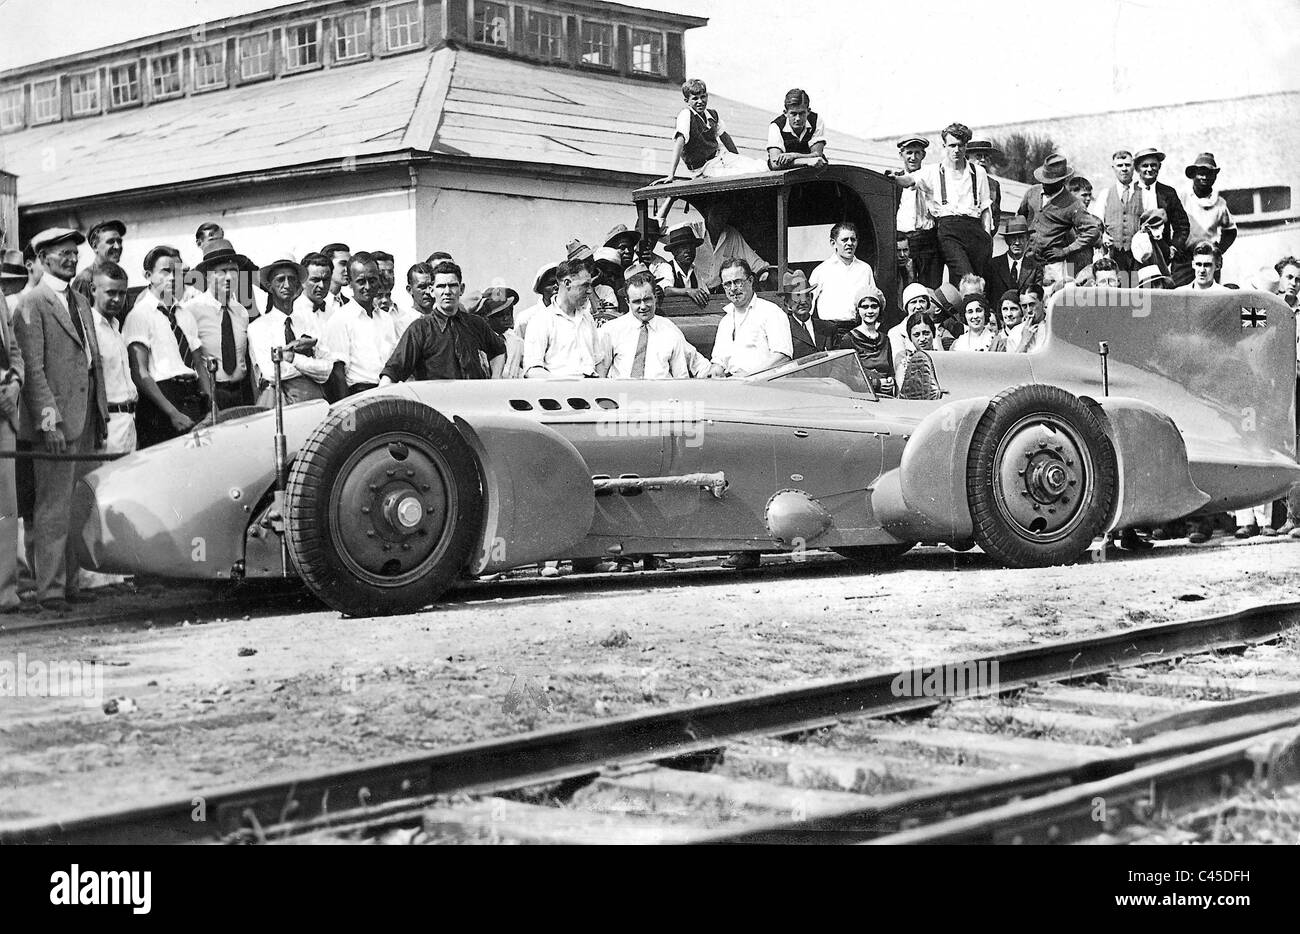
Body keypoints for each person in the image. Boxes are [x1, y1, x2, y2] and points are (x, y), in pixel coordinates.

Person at [14, 228, 108, 612]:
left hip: (84, 418)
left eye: (74, 253)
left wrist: (99, 413)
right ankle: (49, 590)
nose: (71, 259)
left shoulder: (80, 300)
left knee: (74, 506)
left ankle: (69, 585)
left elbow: (93, 362)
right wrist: (49, 423)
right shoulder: (32, 303)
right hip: (55, 423)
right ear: (44, 257)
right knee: (51, 508)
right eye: (63, 253)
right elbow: (33, 371)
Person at [124, 246, 210, 447]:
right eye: (166, 271)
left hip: (192, 396)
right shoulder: (139, 315)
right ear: (149, 275)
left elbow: (198, 363)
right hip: (161, 402)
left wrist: (209, 403)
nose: (173, 277)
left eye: (178, 272)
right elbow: (140, 372)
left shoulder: (185, 314)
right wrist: (172, 412)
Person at [893, 122, 994, 286]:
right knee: (967, 278)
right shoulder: (933, 171)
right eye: (952, 145)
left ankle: (963, 310)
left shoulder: (978, 172)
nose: (956, 150)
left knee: (976, 280)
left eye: (960, 146)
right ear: (944, 146)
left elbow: (985, 208)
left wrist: (987, 237)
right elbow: (910, 179)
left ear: (966, 146)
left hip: (975, 231)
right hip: (948, 230)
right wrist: (895, 178)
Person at [379, 262, 505, 385]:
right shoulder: (419, 329)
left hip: (473, 401)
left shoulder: (476, 323)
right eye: (441, 286)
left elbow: (498, 350)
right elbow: (394, 370)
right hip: (437, 402)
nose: (447, 291)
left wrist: (495, 381)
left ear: (461, 289)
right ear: (432, 290)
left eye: (452, 285)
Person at [247, 256, 334, 406]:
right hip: (277, 403)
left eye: (292, 279)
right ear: (270, 286)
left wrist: (292, 358)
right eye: (280, 280)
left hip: (312, 399)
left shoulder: (311, 321)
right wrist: (310, 366)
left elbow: (326, 370)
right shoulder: (258, 327)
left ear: (298, 286)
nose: (287, 285)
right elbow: (271, 373)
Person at [186, 237, 257, 411]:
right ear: (208, 275)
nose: (229, 277)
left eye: (233, 270)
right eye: (222, 271)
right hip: (211, 393)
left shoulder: (241, 311)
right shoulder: (192, 310)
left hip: (242, 392)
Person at [656, 78, 765, 184]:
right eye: (695, 98)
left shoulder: (712, 114)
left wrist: (737, 158)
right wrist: (671, 175)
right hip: (704, 168)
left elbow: (724, 136)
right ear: (687, 101)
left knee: (761, 167)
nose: (700, 101)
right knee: (743, 175)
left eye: (703, 97)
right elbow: (679, 142)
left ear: (707, 96)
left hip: (720, 157)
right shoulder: (686, 115)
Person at [323, 253, 399, 395]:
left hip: (388, 391)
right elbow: (338, 373)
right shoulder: (340, 319)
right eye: (361, 281)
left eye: (372, 280)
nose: (368, 286)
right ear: (351, 283)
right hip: (359, 394)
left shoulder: (386, 319)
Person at [1019, 154, 1101, 279]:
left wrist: (1066, 251)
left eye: (1051, 183)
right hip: (1028, 262)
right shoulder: (1032, 192)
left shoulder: (1073, 204)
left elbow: (1092, 230)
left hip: (1052, 265)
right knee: (1024, 296)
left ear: (1063, 181)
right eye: (1044, 181)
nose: (1045, 185)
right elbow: (1020, 217)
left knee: (1052, 296)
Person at [596, 271, 691, 380]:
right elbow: (601, 374)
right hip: (622, 395)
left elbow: (681, 375)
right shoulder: (611, 330)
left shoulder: (669, 329)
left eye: (647, 299)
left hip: (660, 394)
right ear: (628, 302)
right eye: (636, 301)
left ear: (655, 297)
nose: (643, 306)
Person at [707, 259, 792, 379]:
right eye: (727, 284)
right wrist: (715, 370)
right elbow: (719, 361)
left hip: (766, 387)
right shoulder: (725, 321)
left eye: (737, 282)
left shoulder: (771, 312)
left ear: (751, 280)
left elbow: (782, 357)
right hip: (732, 387)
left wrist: (748, 376)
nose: (733, 289)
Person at [89, 262, 138, 454]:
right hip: (105, 425)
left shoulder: (116, 327)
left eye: (122, 293)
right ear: (93, 289)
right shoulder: (89, 330)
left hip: (129, 422)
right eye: (111, 292)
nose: (117, 299)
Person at [523, 259, 600, 378]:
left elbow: (598, 361)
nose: (590, 291)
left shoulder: (587, 318)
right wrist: (565, 386)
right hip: (559, 393)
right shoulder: (541, 320)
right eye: (585, 285)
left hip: (590, 391)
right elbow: (532, 370)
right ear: (567, 283)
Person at [0, 254, 24, 613]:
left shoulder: (1, 299)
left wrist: (16, 381)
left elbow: (14, 351)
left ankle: (5, 591)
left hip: (5, 413)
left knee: (6, 507)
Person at [1132, 148, 1192, 286]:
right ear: (1137, 169)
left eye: (1153, 165)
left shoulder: (1167, 193)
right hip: (1134, 253)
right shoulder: (1129, 191)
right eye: (1145, 165)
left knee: (1161, 289)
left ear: (1159, 166)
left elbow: (1182, 225)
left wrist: (1173, 247)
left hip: (1161, 251)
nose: (1149, 169)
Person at [893, 137, 942, 290]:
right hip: (904, 241)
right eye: (909, 153)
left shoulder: (933, 177)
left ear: (923, 155)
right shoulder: (894, 180)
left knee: (931, 287)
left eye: (917, 153)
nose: (913, 157)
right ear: (901, 155)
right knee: (907, 285)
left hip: (928, 239)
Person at [809, 222, 878, 326]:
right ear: (833, 243)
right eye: (844, 240)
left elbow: (873, 301)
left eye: (853, 239)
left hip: (858, 329)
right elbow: (809, 302)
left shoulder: (865, 269)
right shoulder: (821, 271)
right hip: (830, 330)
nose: (850, 243)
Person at [1182, 153, 1237, 280]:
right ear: (1193, 175)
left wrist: (1218, 250)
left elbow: (1230, 231)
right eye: (1201, 173)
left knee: (1210, 297)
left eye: (1209, 174)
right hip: (1185, 259)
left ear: (1214, 177)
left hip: (1208, 260)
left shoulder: (1220, 203)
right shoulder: (1182, 198)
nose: (1205, 177)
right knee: (1180, 295)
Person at [698, 201, 771, 290]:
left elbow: (749, 257)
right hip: (697, 292)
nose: (720, 219)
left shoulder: (731, 233)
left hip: (719, 292)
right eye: (716, 214)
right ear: (707, 212)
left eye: (724, 215)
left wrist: (763, 271)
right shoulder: (694, 231)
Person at [1091, 150, 1144, 273]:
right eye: (1120, 165)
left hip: (1137, 256)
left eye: (1127, 165)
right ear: (1113, 168)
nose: (1124, 169)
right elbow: (1095, 223)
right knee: (1118, 289)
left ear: (1134, 167)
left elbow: (1151, 222)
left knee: (1136, 289)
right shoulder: (1105, 194)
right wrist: (1102, 236)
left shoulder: (1144, 193)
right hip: (1113, 255)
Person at [835, 286, 895, 395]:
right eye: (865, 307)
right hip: (863, 396)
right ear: (858, 310)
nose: (870, 311)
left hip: (886, 397)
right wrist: (876, 384)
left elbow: (890, 369)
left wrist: (891, 380)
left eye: (874, 306)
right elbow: (843, 376)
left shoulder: (885, 339)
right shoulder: (849, 339)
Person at [767, 88, 827, 170]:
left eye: (802, 113)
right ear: (785, 113)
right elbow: (775, 163)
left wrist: (794, 155)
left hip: (813, 169)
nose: (798, 118)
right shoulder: (776, 126)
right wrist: (806, 161)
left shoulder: (816, 121)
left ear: (808, 111)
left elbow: (817, 155)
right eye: (793, 114)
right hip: (787, 173)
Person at [70, 219, 126, 305]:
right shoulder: (85, 280)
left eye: (119, 241)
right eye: (110, 242)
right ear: (95, 246)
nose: (117, 246)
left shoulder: (120, 274)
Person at [783, 270, 836, 359]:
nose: (802, 301)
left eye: (805, 296)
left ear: (811, 297)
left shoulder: (829, 328)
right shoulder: (784, 330)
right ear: (787, 303)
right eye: (796, 297)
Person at [655, 223, 711, 309]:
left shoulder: (695, 271)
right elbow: (666, 290)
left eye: (691, 247)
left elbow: (704, 292)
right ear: (674, 251)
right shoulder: (666, 267)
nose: (688, 251)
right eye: (683, 247)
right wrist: (688, 291)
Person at [987, 216, 1042, 298]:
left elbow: (1037, 297)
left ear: (1027, 239)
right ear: (1006, 240)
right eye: (1013, 238)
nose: (1017, 242)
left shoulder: (1035, 268)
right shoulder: (993, 265)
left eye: (1021, 238)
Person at [888, 282, 937, 362]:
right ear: (906, 307)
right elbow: (899, 363)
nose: (918, 306)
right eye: (913, 302)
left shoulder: (933, 328)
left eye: (922, 301)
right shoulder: (896, 332)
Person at [894, 311, 942, 388]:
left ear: (933, 333)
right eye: (916, 335)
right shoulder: (906, 364)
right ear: (910, 338)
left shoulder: (942, 358)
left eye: (926, 333)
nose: (922, 338)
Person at [516, 262, 559, 339]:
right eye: (551, 283)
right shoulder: (525, 318)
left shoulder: (574, 315)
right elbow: (519, 348)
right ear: (541, 288)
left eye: (559, 282)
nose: (557, 286)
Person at [964, 139, 1002, 229]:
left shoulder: (994, 184)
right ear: (967, 158)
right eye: (978, 156)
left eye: (986, 156)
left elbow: (996, 215)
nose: (983, 160)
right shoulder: (960, 180)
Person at [1130, 209, 1174, 281]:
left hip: (1159, 273)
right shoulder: (1141, 238)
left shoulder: (1156, 240)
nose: (1160, 230)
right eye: (1156, 227)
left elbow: (1166, 253)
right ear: (1148, 228)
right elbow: (1143, 256)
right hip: (1145, 274)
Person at [321, 242, 352, 312]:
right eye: (343, 264)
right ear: (327, 265)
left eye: (350, 264)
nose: (348, 269)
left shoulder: (349, 304)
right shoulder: (313, 303)